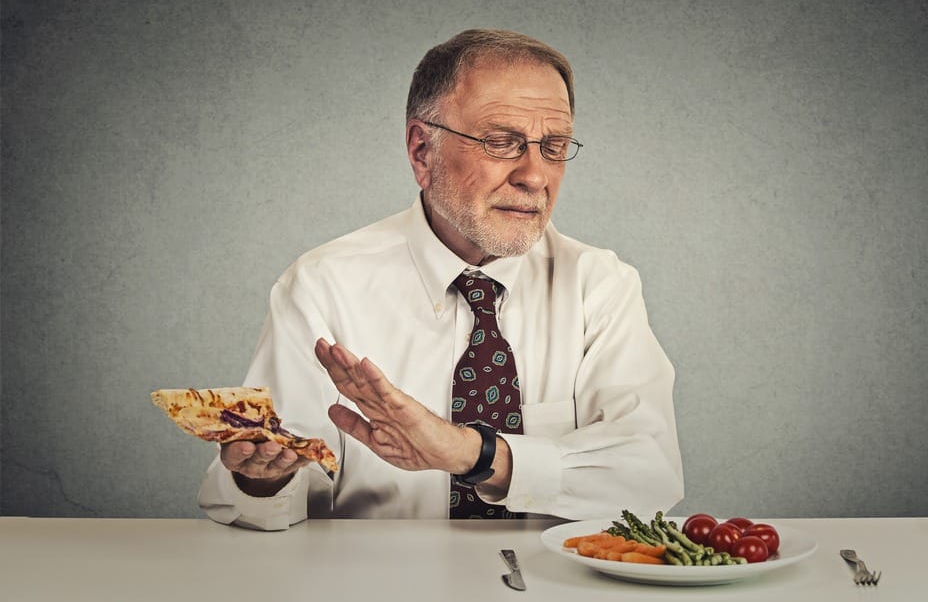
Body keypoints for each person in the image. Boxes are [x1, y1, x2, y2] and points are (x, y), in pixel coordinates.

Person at [197, 29, 683, 530]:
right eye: (501, 142)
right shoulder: (321, 286)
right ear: (422, 151)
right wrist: (263, 479)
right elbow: (263, 498)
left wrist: (468, 453)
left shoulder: (599, 286)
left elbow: (647, 476)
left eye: (554, 146)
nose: (535, 176)